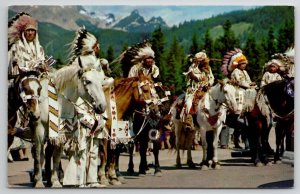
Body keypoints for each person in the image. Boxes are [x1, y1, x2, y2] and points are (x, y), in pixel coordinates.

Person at [182, 51, 214, 129]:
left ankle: (216, 119)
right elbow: (190, 79)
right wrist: (190, 86)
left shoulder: (208, 69)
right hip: (193, 89)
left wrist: (209, 83)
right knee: (188, 102)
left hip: (206, 90)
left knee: (216, 99)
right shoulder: (192, 68)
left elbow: (212, 78)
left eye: (202, 60)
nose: (201, 62)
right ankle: (189, 120)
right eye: (199, 60)